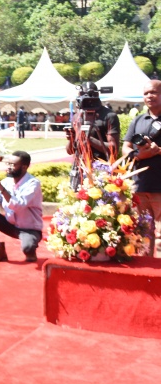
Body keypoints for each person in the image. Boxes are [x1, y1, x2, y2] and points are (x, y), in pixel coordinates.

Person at [0, 151, 43, 263]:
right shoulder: (7, 182)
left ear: (24, 167)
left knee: (28, 250)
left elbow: (18, 205)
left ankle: (31, 247)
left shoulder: (33, 183)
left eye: (13, 165)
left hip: (29, 229)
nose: (8, 167)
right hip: (10, 225)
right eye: (7, 164)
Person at [123, 79, 161, 256]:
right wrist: (138, 155)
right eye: (146, 93)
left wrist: (158, 151)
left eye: (153, 92)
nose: (149, 96)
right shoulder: (138, 120)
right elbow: (126, 147)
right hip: (140, 184)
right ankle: (147, 270)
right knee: (143, 231)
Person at [66, 82, 120, 190]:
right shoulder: (77, 116)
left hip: (101, 171)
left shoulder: (109, 116)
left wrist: (88, 139)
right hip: (80, 170)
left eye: (88, 95)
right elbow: (70, 151)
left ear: (97, 95)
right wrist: (71, 139)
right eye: (81, 95)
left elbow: (113, 148)